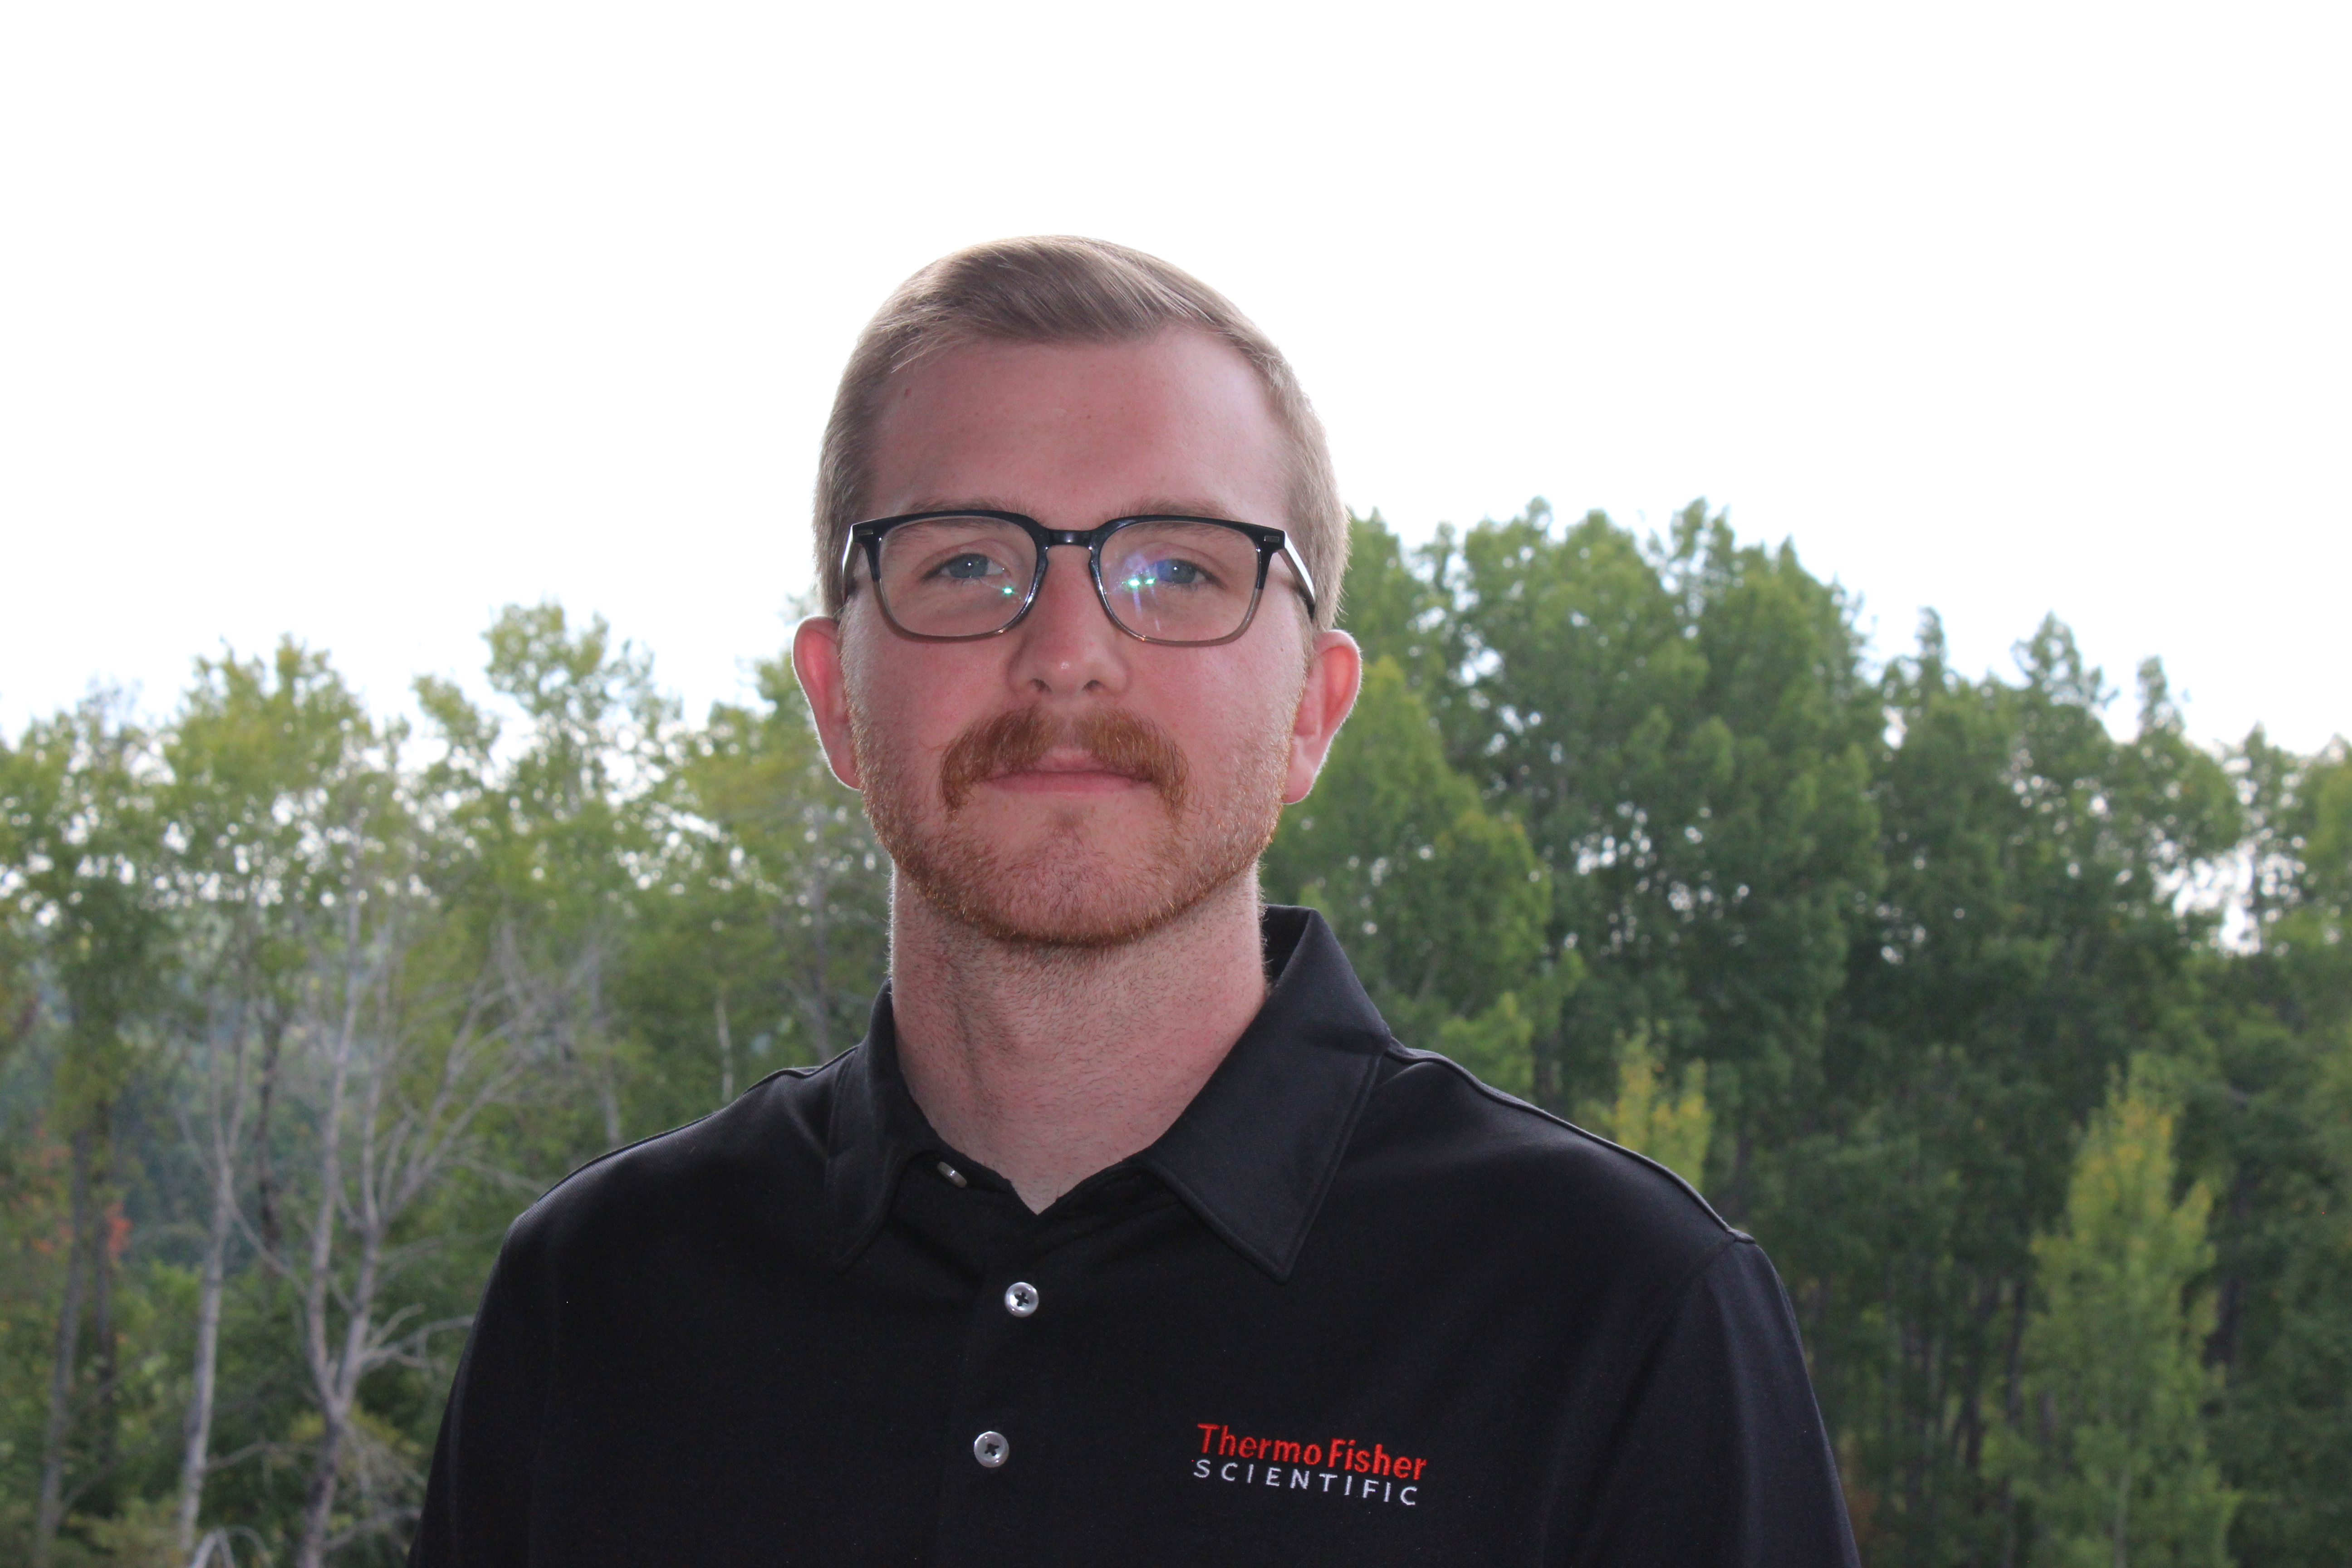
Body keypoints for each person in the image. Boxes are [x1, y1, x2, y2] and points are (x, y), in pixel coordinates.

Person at [409, 236, 1860, 1566]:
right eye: (967, 561)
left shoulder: (1618, 1315)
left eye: (1176, 569)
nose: (1068, 653)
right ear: (836, 702)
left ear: (1312, 710)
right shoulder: (597, 1299)